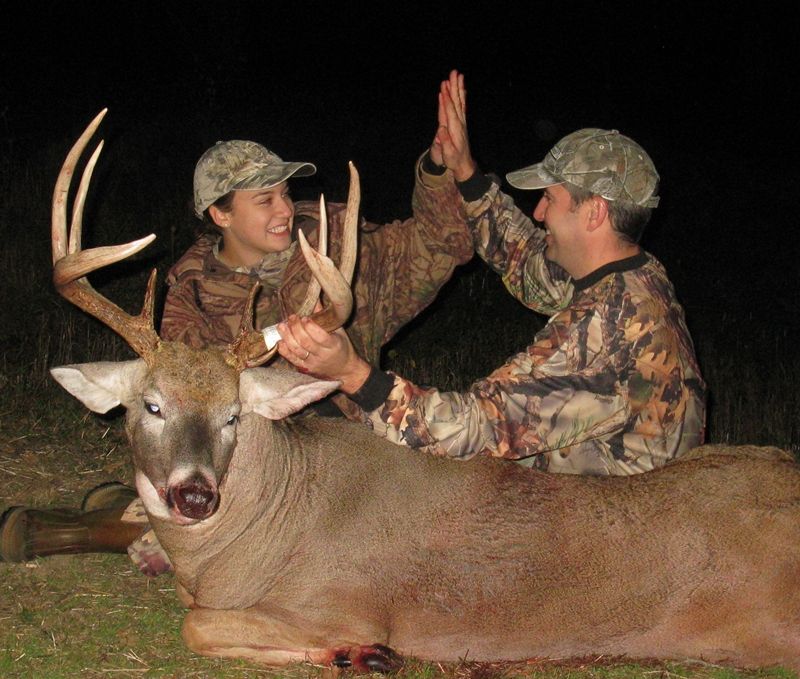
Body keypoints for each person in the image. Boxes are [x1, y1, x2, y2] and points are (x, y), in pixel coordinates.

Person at [0, 128, 473, 568]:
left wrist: (436, 169)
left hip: (368, 438)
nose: (285, 209)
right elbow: (182, 410)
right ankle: (99, 524)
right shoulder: (191, 293)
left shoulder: (342, 250)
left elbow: (447, 243)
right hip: (256, 458)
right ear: (221, 215)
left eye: (286, 194)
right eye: (265, 199)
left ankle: (115, 516)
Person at [276, 70, 706, 476]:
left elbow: (469, 430)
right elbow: (529, 263)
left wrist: (353, 374)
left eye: (550, 200)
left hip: (609, 529)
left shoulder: (603, 329)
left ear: (594, 212)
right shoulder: (639, 276)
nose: (537, 213)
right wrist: (465, 172)